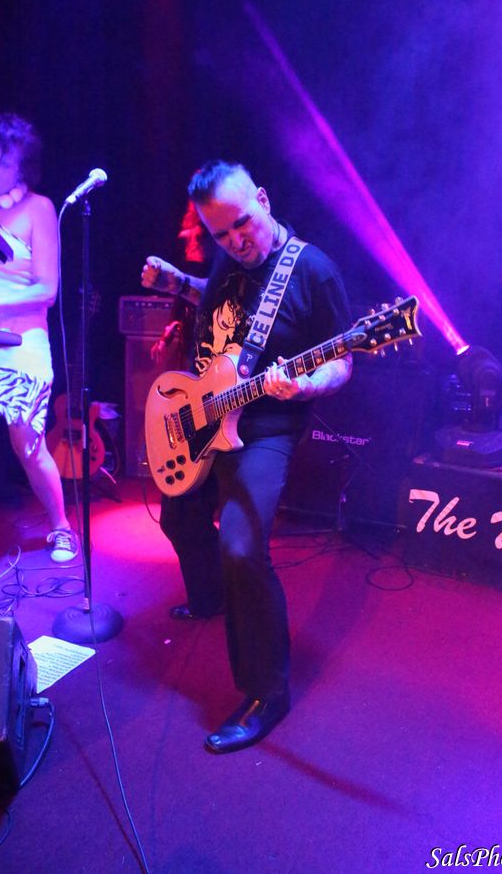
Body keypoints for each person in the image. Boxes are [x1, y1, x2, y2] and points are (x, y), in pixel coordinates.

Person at [141, 160, 352, 753]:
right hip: (207, 411)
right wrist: (176, 283)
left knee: (240, 546)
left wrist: (304, 385)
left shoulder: (312, 271)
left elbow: (343, 358)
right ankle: (210, 599)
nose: (236, 241)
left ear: (262, 199)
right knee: (179, 514)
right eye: (221, 234)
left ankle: (267, 694)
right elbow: (216, 314)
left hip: (266, 427)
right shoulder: (227, 260)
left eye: (242, 224)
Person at [0, 113, 77, 563]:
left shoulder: (38, 208)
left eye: (1, 159)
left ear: (20, 164)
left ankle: (61, 526)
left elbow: (47, 290)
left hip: (21, 343)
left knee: (27, 444)